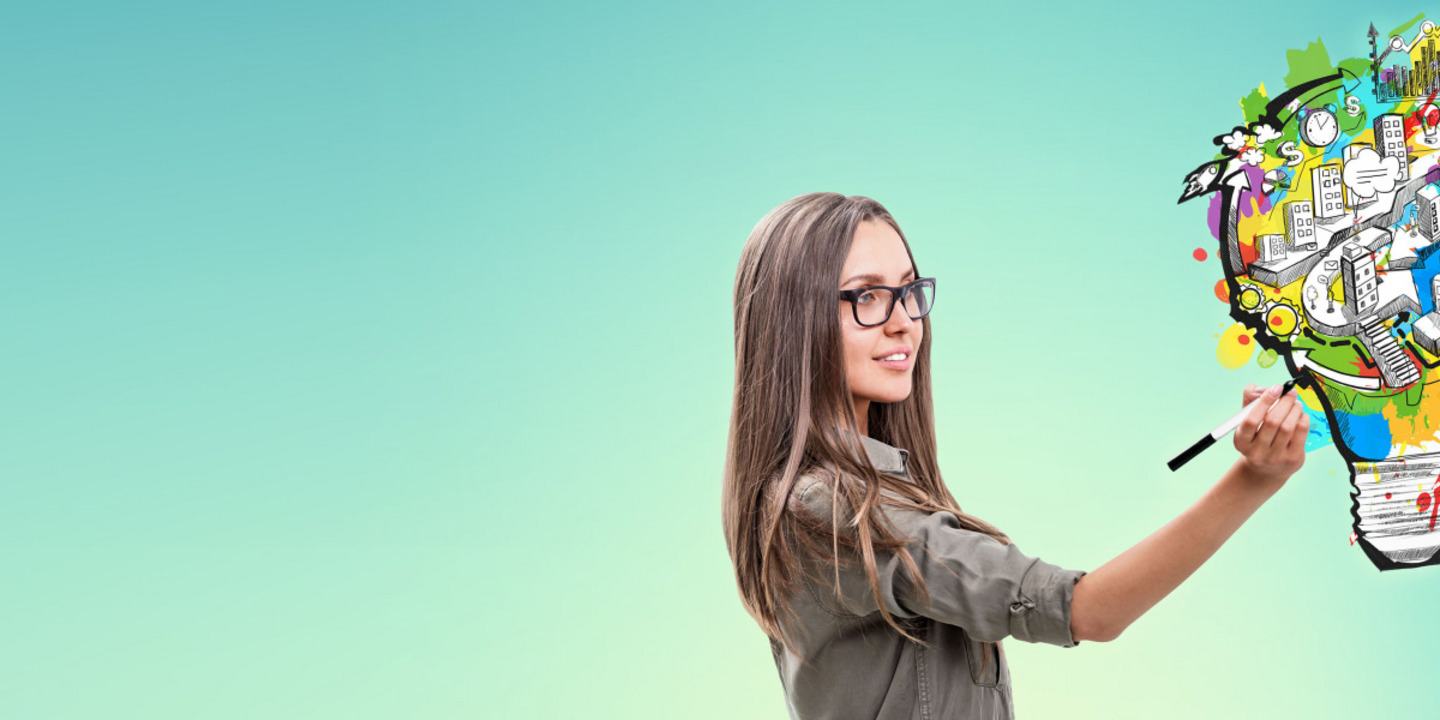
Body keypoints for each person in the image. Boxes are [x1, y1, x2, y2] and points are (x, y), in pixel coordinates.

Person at [720, 192, 1309, 720]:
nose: (904, 323)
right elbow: (1088, 611)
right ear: (795, 320)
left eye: (907, 292)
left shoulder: (861, 492)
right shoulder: (835, 509)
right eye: (868, 297)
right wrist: (1253, 480)